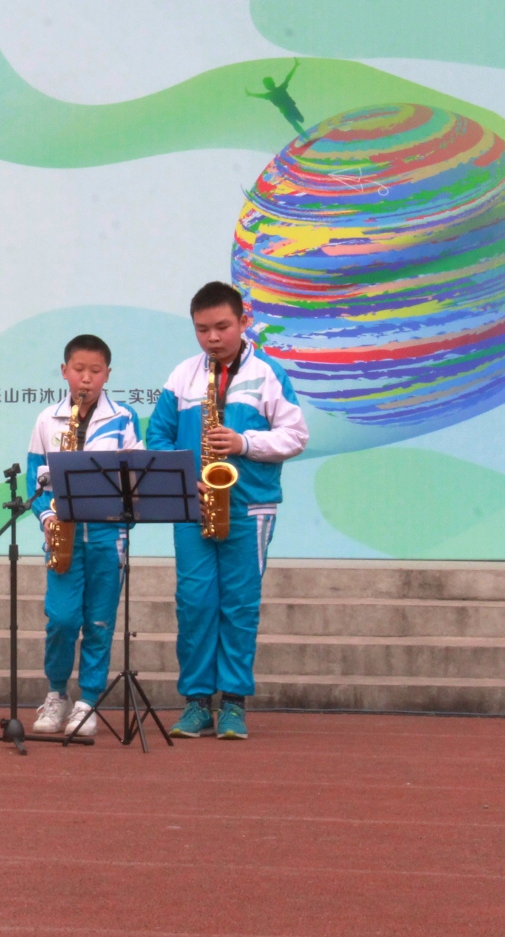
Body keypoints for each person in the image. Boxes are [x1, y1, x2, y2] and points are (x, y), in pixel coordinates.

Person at [146, 282, 308, 740]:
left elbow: (296, 436)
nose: (212, 338)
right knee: (194, 603)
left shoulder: (269, 374)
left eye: (222, 327)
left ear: (244, 321)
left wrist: (244, 443)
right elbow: (157, 436)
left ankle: (234, 703)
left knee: (239, 605)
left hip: (250, 505)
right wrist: (184, 479)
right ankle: (197, 702)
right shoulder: (182, 376)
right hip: (193, 504)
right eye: (202, 329)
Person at [27, 335, 143, 737]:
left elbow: (137, 477)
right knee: (61, 620)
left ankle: (88, 701)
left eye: (95, 371)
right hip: (64, 536)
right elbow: (34, 477)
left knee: (99, 621)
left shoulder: (124, 418)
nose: (86, 379)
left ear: (108, 374)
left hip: (108, 536)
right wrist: (47, 517)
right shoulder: (47, 419)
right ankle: (56, 694)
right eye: (79, 370)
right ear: (64, 372)